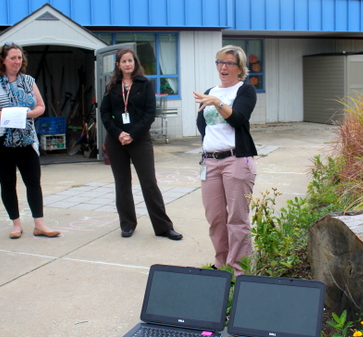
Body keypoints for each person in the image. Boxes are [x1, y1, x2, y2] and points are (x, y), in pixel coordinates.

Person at [0, 43, 59, 239]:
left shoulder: (29, 81)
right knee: (8, 183)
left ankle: (39, 224)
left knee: (33, 182)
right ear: (2, 60)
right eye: (12, 57)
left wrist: (28, 114)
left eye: (19, 58)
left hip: (26, 138)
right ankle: (16, 224)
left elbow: (41, 106)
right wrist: (3, 115)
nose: (17, 61)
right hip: (0, 140)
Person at [99, 48, 182, 240]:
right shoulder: (112, 85)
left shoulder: (144, 84)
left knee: (149, 182)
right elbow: (104, 112)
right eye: (124, 61)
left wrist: (132, 135)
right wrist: (118, 133)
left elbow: (149, 113)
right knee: (122, 183)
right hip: (116, 140)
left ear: (135, 63)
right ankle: (127, 224)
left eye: (130, 61)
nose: (127, 64)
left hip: (139, 139)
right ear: (118, 65)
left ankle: (163, 227)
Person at [193, 45, 258, 275]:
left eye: (229, 63)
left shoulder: (245, 90)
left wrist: (218, 103)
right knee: (215, 218)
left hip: (236, 160)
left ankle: (240, 271)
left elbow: (239, 119)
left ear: (240, 68)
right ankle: (222, 266)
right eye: (220, 62)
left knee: (237, 219)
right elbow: (203, 126)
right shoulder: (210, 90)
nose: (223, 67)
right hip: (210, 162)